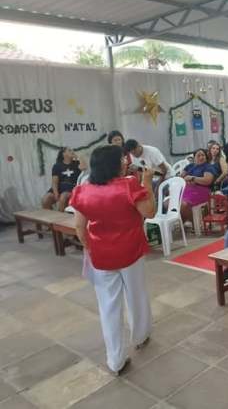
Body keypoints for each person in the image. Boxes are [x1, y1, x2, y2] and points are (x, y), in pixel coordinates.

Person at [70, 145, 154, 375]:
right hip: (131, 251)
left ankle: (115, 360)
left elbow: (79, 227)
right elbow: (149, 212)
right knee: (136, 295)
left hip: (101, 255)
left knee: (108, 306)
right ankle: (140, 335)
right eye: (122, 159)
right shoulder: (129, 185)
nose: (126, 162)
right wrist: (147, 182)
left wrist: (91, 247)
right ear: (114, 164)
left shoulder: (83, 190)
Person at [42, 147, 85, 211]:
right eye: (69, 150)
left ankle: (60, 216)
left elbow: (84, 167)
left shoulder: (76, 163)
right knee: (46, 199)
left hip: (71, 187)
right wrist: (56, 193)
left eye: (72, 150)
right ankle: (50, 215)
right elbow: (54, 182)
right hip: (60, 187)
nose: (72, 151)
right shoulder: (57, 166)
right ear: (63, 154)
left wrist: (79, 157)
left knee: (63, 197)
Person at [180, 149, 215, 223]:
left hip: (202, 190)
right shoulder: (190, 166)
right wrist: (186, 180)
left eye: (203, 155)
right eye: (198, 155)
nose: (201, 157)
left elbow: (207, 181)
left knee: (183, 205)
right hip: (187, 189)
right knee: (168, 203)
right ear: (194, 157)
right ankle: (184, 223)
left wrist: (193, 178)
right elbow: (181, 177)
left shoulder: (208, 167)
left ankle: (195, 223)